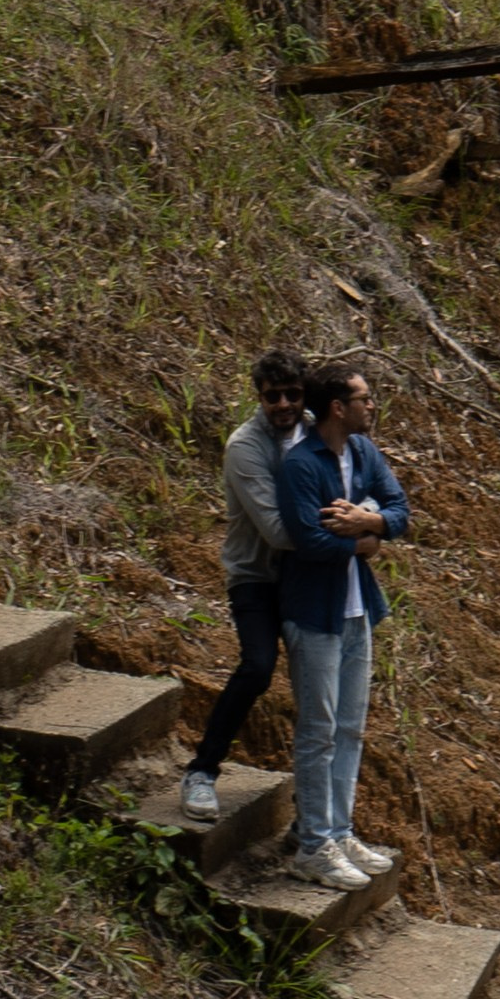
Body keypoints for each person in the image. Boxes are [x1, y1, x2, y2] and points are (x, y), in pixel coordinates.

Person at [273, 359, 408, 885]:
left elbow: (400, 510)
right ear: (337, 407)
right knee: (319, 732)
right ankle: (313, 846)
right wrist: (365, 542)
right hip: (314, 613)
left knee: (349, 728)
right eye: (363, 398)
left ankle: (338, 829)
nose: (371, 406)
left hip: (357, 612)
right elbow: (309, 540)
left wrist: (367, 520)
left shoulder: (364, 452)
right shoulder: (301, 465)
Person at [181, 349, 308, 823]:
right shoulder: (245, 446)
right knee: (257, 667)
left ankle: (313, 807)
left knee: (318, 683)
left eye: (292, 394)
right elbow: (276, 530)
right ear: (259, 397)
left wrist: (368, 515)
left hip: (305, 576)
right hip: (255, 576)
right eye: (273, 396)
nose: (283, 405)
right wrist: (346, 529)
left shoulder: (318, 431)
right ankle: (201, 771)